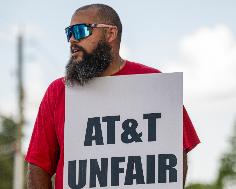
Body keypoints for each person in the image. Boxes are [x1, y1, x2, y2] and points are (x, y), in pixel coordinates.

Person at [25, 3, 200, 189]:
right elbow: (38, 166)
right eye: (69, 32)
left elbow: (177, 150)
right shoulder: (58, 91)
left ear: (110, 34)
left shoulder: (153, 83)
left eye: (81, 30)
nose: (72, 40)